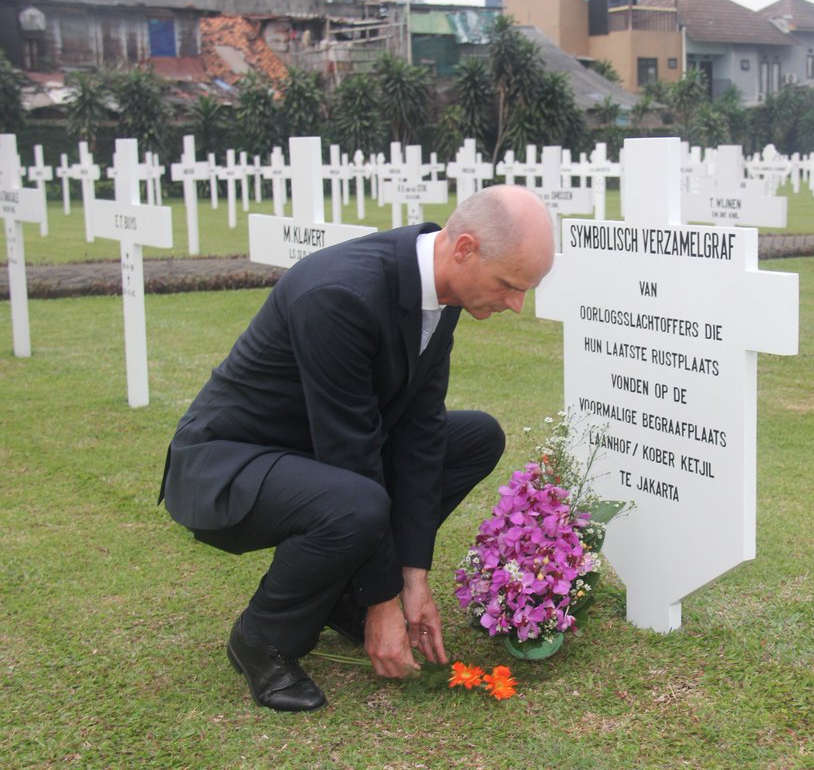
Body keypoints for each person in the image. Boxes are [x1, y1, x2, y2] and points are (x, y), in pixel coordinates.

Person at [159, 185, 556, 712]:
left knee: (473, 438)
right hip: (226, 465)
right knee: (356, 501)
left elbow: (420, 431)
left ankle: (342, 596)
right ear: (463, 248)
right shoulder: (340, 293)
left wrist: (414, 577)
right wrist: (383, 600)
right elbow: (349, 452)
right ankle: (262, 636)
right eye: (509, 285)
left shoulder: (446, 289)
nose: (515, 304)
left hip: (311, 457)